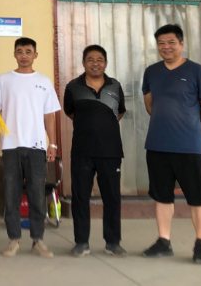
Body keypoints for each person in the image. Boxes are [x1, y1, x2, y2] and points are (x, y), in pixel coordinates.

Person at [141, 24, 201, 265]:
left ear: (182, 44)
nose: (166, 47)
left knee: (198, 197)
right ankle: (164, 241)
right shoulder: (151, 72)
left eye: (171, 42)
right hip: (157, 145)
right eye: (161, 43)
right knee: (162, 197)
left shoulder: (196, 71)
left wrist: (196, 131)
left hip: (188, 147)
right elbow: (150, 104)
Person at [0, 37, 60, 258]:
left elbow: (49, 115)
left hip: (36, 146)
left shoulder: (44, 81)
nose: (24, 55)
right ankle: (14, 240)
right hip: (10, 146)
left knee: (37, 194)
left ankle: (38, 240)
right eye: (20, 51)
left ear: (35, 55)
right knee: (11, 195)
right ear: (14, 54)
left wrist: (52, 143)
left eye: (28, 51)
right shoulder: (4, 80)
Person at [63, 45, 127, 258]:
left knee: (112, 197)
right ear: (83, 63)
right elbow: (70, 112)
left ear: (105, 63)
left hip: (111, 151)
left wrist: (103, 127)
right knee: (80, 197)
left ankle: (113, 242)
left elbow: (119, 112)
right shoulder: (73, 87)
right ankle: (81, 242)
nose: (95, 63)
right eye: (90, 59)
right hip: (82, 151)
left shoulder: (115, 86)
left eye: (100, 59)